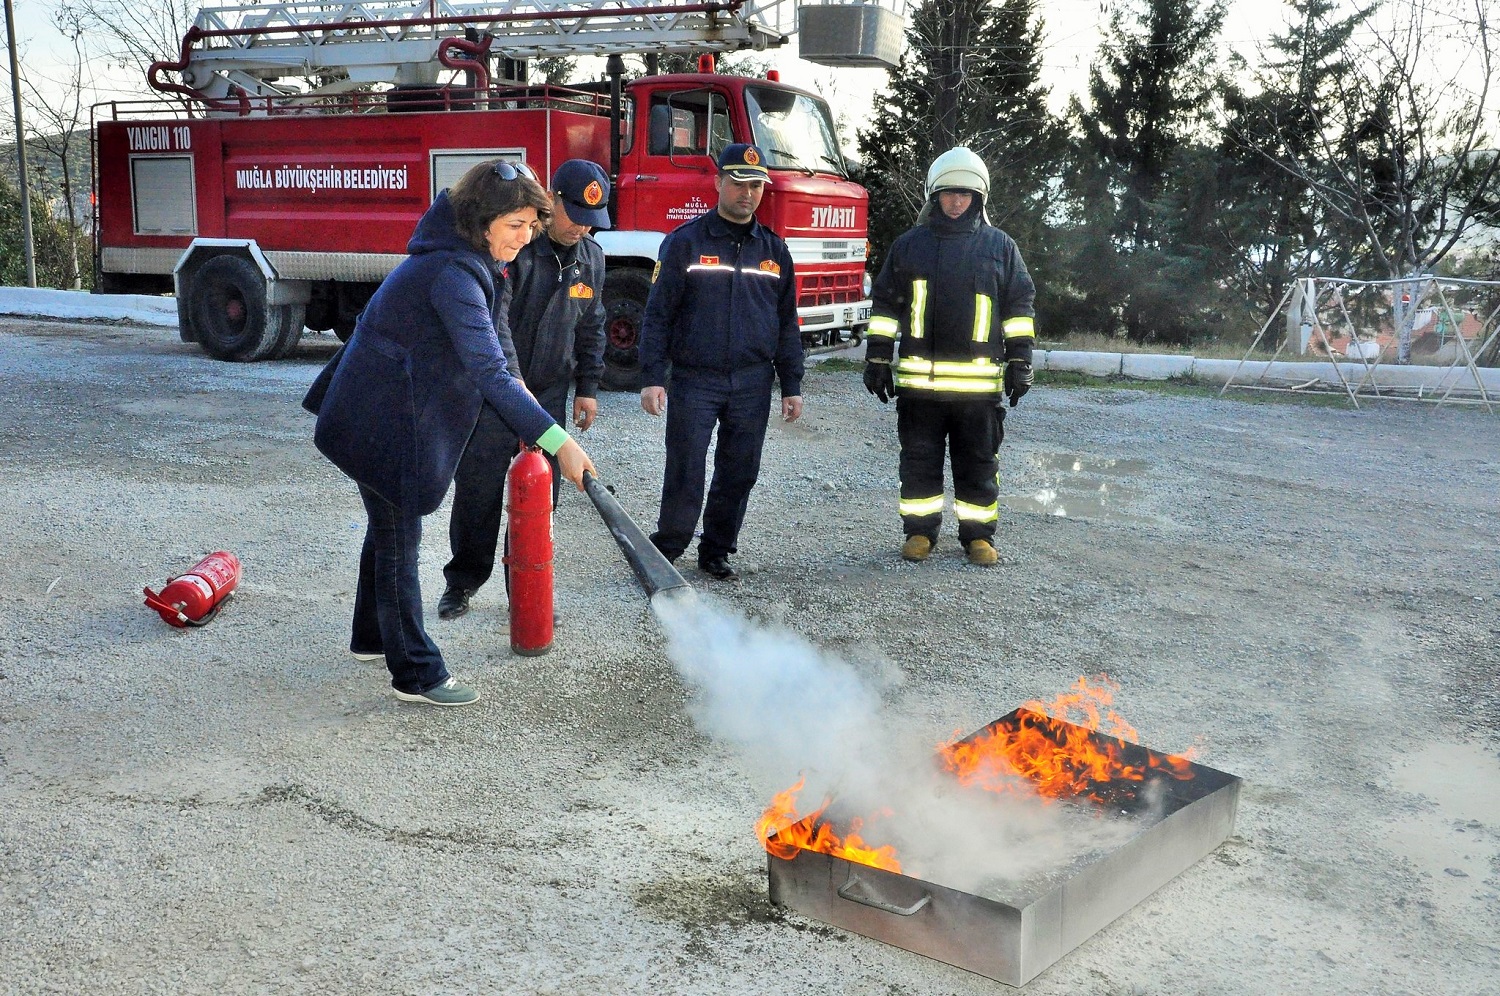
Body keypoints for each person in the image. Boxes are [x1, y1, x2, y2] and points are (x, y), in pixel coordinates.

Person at [303, 160, 596, 707]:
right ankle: (415, 673)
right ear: (482, 221)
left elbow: (501, 351)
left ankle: (371, 636)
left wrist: (530, 412)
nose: (526, 236)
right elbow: (488, 372)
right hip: (378, 418)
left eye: (532, 225)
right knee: (399, 537)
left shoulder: (481, 263)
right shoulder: (453, 274)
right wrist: (560, 443)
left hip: (385, 410)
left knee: (388, 528)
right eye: (515, 225)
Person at [437, 159, 611, 621]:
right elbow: (497, 330)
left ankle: (526, 590)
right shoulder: (517, 251)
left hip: (549, 392)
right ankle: (462, 581)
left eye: (592, 220)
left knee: (539, 498)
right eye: (574, 215)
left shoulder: (592, 259)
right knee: (478, 492)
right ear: (551, 200)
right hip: (496, 396)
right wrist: (514, 386)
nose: (581, 228)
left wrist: (588, 387)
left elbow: (592, 326)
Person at [862, 146, 1036, 567]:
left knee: (978, 464)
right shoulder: (909, 247)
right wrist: (878, 359)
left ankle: (978, 538)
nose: (956, 202)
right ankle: (920, 533)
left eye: (964, 194)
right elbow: (885, 305)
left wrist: (1020, 361)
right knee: (918, 463)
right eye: (948, 194)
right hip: (920, 390)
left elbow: (1019, 306)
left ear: (978, 198)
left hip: (977, 393)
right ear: (933, 195)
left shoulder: (999, 247)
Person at [638, 143, 803, 581]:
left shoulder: (775, 251)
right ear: (717, 183)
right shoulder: (685, 243)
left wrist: (792, 384)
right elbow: (658, 315)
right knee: (686, 466)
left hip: (752, 382)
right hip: (696, 379)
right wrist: (653, 377)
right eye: (738, 183)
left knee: (739, 470)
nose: (747, 193)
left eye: (756, 186)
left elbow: (787, 322)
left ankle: (716, 550)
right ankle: (668, 547)